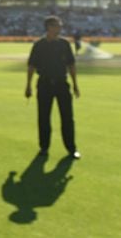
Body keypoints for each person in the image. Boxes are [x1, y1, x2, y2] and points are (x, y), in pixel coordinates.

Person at [25, 16, 81, 160]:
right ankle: (44, 148)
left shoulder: (64, 44)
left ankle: (71, 148)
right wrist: (28, 86)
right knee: (44, 117)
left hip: (62, 83)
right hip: (44, 84)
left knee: (67, 117)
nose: (59, 28)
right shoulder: (39, 45)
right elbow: (31, 66)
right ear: (49, 27)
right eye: (56, 25)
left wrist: (75, 85)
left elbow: (71, 65)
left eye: (60, 25)